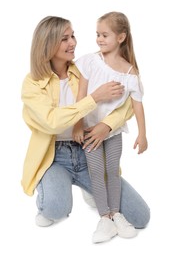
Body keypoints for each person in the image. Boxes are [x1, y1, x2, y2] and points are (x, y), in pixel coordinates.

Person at [21, 16, 150, 239]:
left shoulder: (85, 67)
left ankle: (90, 190)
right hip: (55, 156)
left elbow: (127, 103)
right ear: (47, 44)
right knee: (54, 210)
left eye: (73, 36)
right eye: (64, 39)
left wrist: (106, 126)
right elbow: (52, 121)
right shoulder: (32, 83)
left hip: (89, 146)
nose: (73, 43)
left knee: (140, 217)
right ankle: (53, 189)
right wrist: (94, 98)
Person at [73, 11, 148, 243]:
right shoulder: (89, 61)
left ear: (121, 37)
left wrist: (143, 134)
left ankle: (116, 214)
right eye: (97, 34)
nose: (99, 39)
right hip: (89, 131)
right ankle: (104, 218)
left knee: (112, 171)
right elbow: (80, 96)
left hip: (113, 133)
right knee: (96, 172)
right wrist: (77, 125)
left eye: (105, 35)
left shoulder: (130, 73)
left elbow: (137, 105)